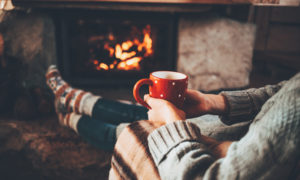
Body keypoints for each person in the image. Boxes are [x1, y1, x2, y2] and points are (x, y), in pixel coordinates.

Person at [46, 65, 300, 179]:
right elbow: (281, 91)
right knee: (145, 111)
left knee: (134, 130)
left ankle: (70, 115)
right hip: (241, 132)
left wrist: (170, 125)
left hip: (220, 156)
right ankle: (77, 101)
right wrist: (214, 102)